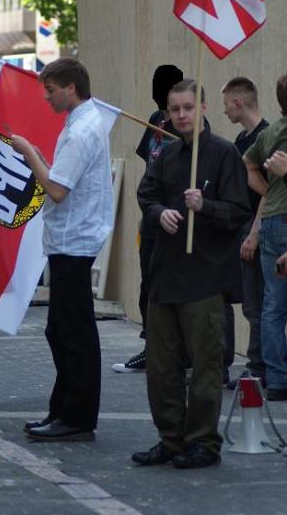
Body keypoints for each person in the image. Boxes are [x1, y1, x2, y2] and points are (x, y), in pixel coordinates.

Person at [134, 79, 250, 469]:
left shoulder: (224, 154)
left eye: (188, 108)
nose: (181, 115)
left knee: (205, 366)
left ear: (202, 108)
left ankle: (203, 442)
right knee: (161, 365)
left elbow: (238, 211)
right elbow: (145, 195)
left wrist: (206, 205)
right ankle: (170, 438)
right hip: (165, 274)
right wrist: (158, 213)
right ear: (167, 112)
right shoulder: (165, 155)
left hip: (205, 276)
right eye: (175, 109)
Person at [11, 58, 114, 442]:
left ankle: (76, 415)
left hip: (75, 239)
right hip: (72, 237)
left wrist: (28, 153)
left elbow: (56, 189)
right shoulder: (83, 123)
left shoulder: (82, 129)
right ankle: (64, 409)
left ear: (71, 87)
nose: (46, 97)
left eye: (50, 90)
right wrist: (40, 157)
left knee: (72, 331)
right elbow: (63, 180)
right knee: (62, 328)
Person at [113, 64, 182, 373]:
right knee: (149, 285)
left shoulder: (187, 124)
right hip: (152, 215)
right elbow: (148, 159)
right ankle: (151, 345)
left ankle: (177, 351)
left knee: (172, 285)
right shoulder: (156, 120)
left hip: (174, 216)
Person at [222, 77, 268, 386]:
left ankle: (259, 367)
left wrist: (254, 233)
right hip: (242, 228)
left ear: (238, 102)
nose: (224, 110)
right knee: (252, 302)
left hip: (258, 228)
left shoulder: (265, 137)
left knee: (258, 304)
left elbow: (270, 192)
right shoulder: (242, 138)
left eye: (226, 103)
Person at [243, 73, 287, 401]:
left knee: (273, 303)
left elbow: (248, 162)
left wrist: (269, 191)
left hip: (271, 220)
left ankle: (277, 379)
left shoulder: (272, 131)